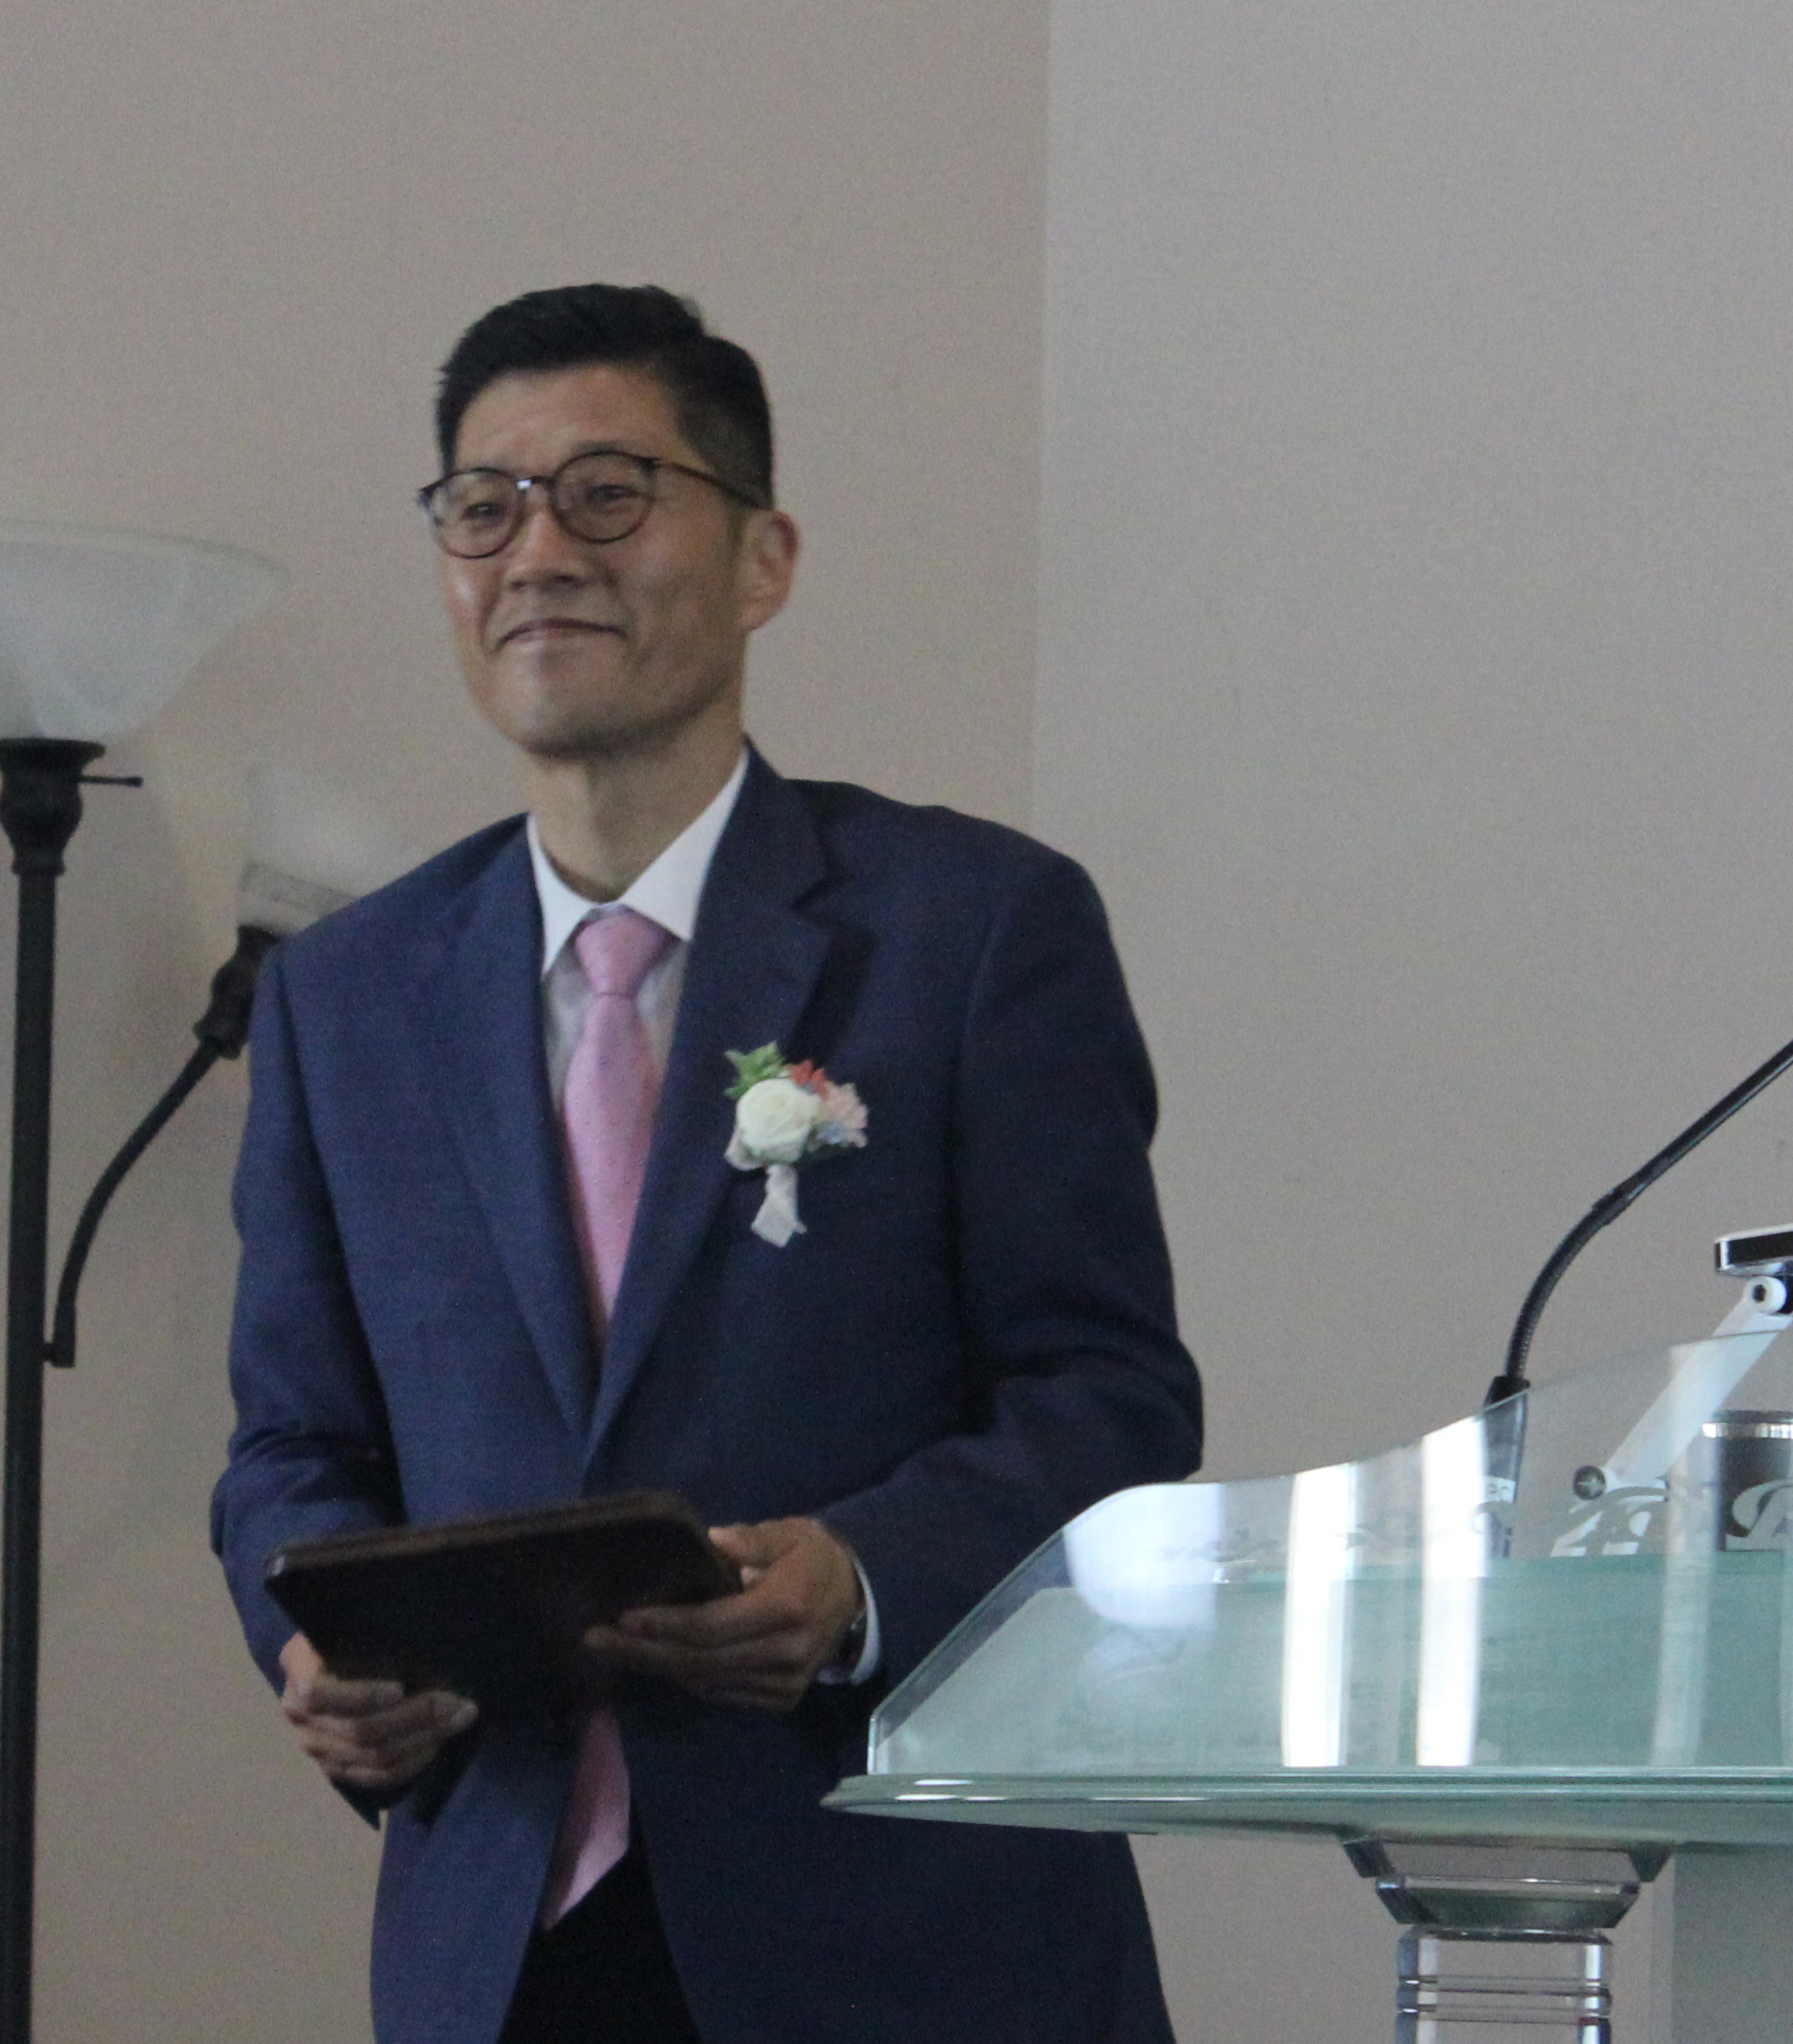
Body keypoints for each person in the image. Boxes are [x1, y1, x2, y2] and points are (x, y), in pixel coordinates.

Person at [211, 285, 1201, 2044]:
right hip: (503, 1935)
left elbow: (1109, 1399)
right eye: (483, 507)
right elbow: (293, 1442)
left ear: (762, 559)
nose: (538, 553)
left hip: (904, 1927)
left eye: (608, 494)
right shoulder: (347, 997)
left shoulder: (972, 930)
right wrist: (321, 1647)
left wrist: (861, 1577)